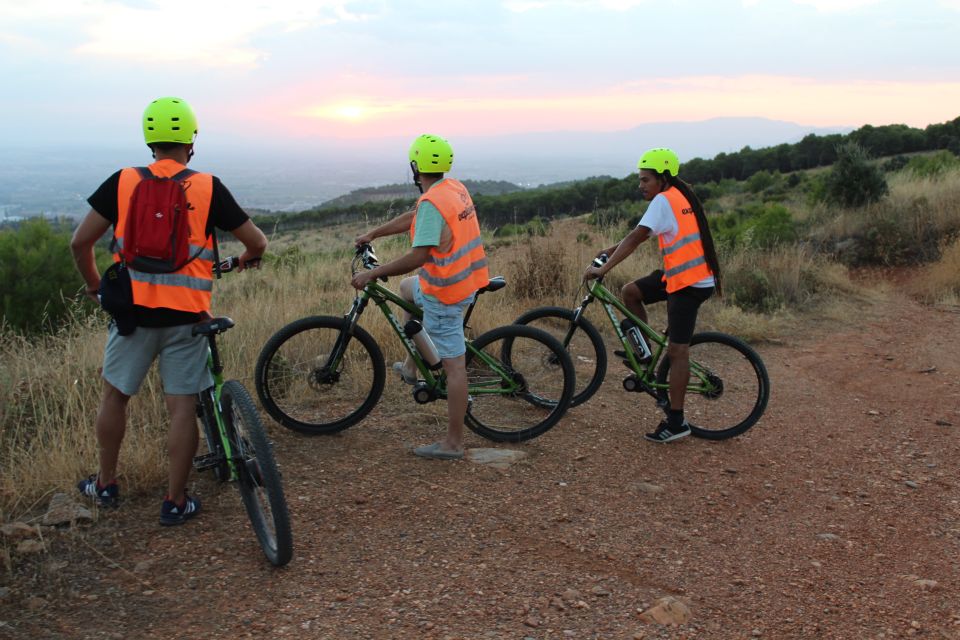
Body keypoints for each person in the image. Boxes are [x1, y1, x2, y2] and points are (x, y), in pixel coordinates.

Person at [70, 96, 268, 525]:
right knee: (181, 409)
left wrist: (94, 286)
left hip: (131, 317)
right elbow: (258, 242)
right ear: (191, 140)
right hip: (187, 319)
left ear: (149, 140)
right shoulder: (207, 186)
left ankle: (105, 485)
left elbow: (78, 243)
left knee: (115, 397)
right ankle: (175, 502)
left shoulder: (123, 181)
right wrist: (246, 258)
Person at [352, 134, 489, 460]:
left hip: (446, 293)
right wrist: (374, 233)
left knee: (455, 369)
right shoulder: (451, 189)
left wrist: (373, 272)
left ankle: (453, 443)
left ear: (415, 166)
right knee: (406, 290)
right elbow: (415, 218)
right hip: (462, 280)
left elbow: (418, 256)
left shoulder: (434, 201)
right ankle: (414, 367)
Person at [583, 147, 722, 444]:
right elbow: (641, 232)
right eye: (640, 180)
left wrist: (604, 267)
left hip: (689, 284)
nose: (640, 185)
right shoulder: (681, 196)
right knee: (631, 292)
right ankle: (643, 350)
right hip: (685, 276)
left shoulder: (664, 200)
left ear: (662, 178)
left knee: (677, 351)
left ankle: (677, 421)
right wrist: (610, 249)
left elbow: (636, 238)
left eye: (645, 180)